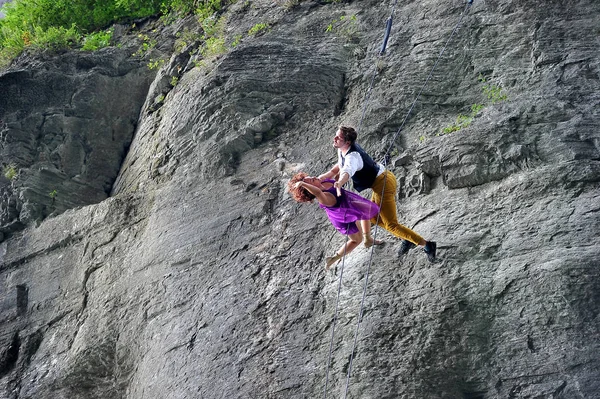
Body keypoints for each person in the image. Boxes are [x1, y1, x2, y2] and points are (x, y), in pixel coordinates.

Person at [318, 126, 437, 262]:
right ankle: (407, 238)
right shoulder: (342, 150)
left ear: (348, 142)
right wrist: (324, 177)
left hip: (384, 184)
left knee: (391, 224)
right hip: (379, 183)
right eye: (336, 135)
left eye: (338, 137)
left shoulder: (353, 156)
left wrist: (339, 182)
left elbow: (347, 170)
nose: (335, 138)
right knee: (373, 218)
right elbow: (339, 166)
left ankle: (427, 245)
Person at [288, 172, 380, 269]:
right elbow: (318, 192)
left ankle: (368, 239)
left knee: (366, 211)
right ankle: (334, 258)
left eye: (310, 177)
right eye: (311, 180)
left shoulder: (322, 180)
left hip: (349, 204)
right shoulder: (323, 198)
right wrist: (303, 184)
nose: (314, 177)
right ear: (310, 189)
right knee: (356, 240)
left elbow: (333, 171)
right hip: (341, 218)